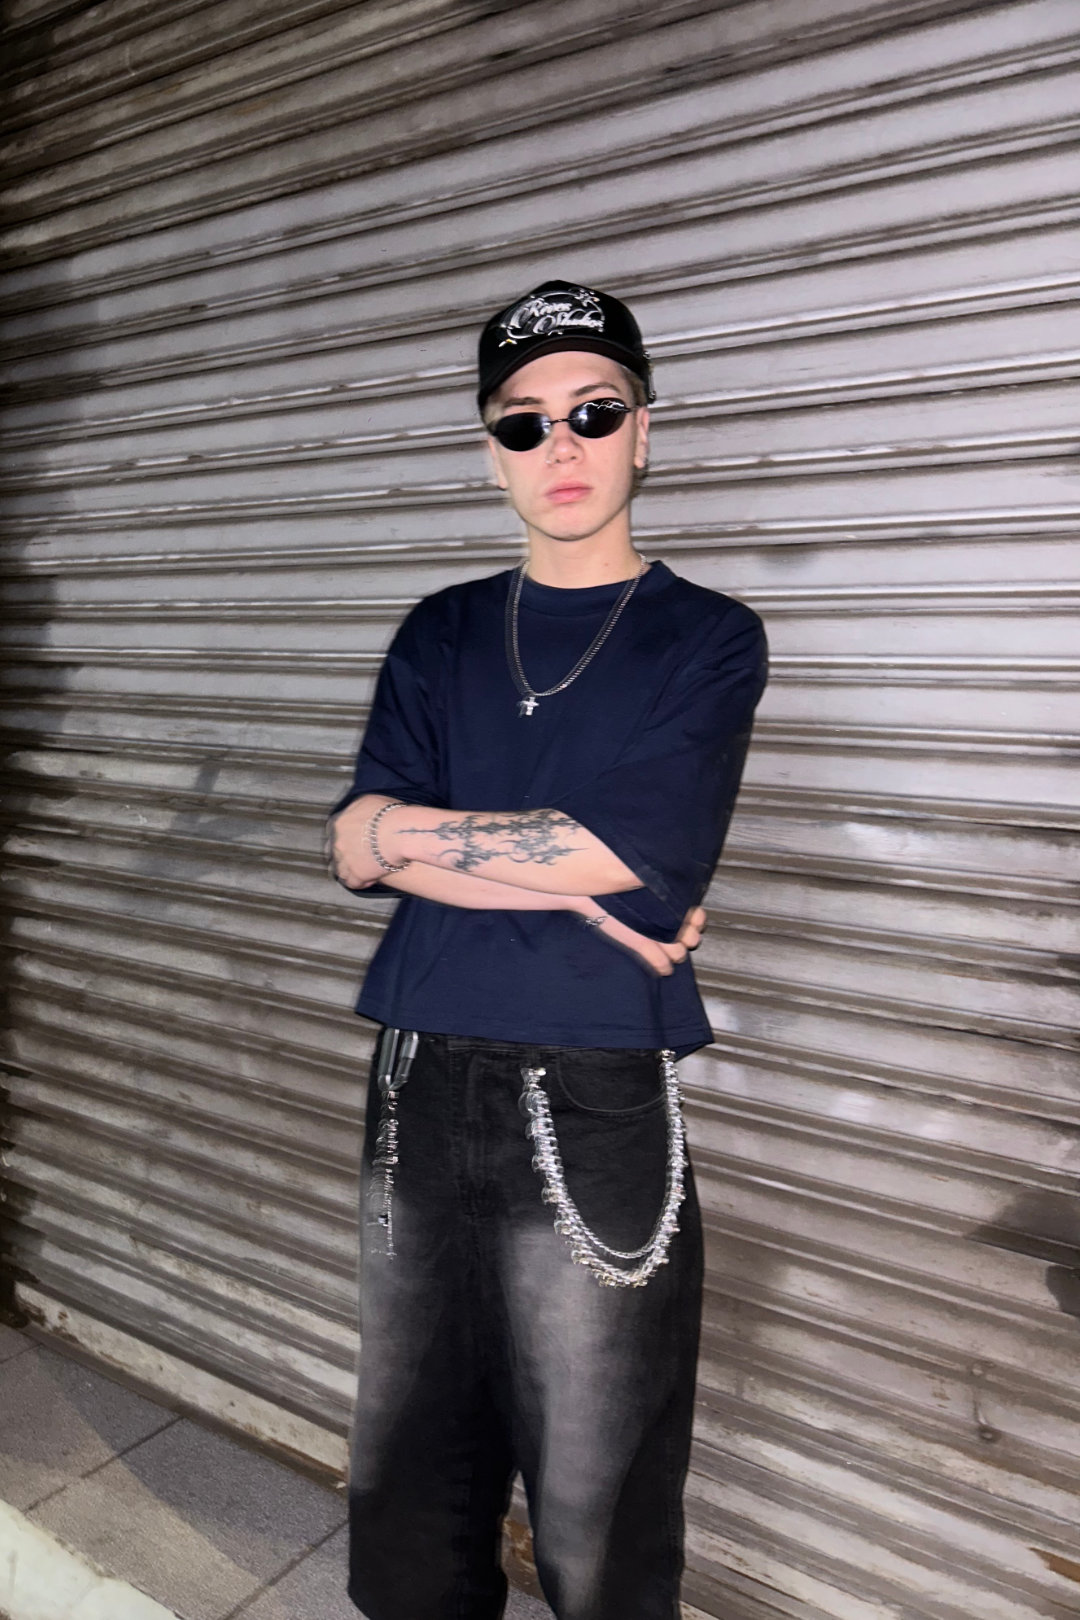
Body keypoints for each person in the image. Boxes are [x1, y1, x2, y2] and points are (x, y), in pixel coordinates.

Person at [327, 279, 768, 1620]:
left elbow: (613, 848)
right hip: (417, 1076)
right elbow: (351, 844)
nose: (558, 445)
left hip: (592, 1090)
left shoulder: (709, 636)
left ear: (645, 430)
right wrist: (557, 863)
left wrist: (424, 838)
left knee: (598, 1500)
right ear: (490, 451)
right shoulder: (442, 629)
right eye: (523, 422)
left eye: (594, 411)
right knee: (408, 1472)